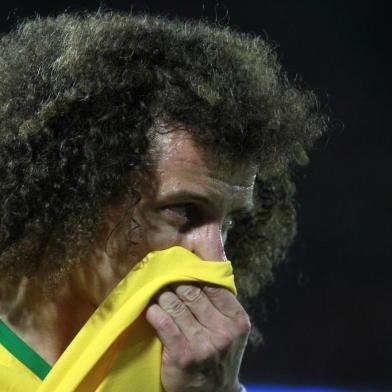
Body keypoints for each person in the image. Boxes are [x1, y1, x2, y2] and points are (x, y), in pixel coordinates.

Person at [0, 10, 328, 391]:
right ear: (76, 195)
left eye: (229, 224)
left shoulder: (196, 367)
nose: (215, 261)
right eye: (183, 212)